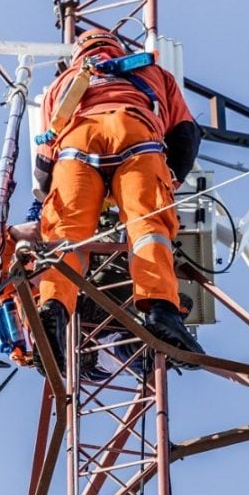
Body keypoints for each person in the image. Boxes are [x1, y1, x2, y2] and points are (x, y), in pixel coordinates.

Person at [32, 29, 205, 375]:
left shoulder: (63, 82)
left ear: (79, 53)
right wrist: (169, 180)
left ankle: (53, 310)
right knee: (148, 228)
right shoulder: (151, 71)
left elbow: (43, 164)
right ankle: (161, 312)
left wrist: (55, 193)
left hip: (75, 146)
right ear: (117, 47)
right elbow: (187, 133)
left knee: (67, 236)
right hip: (136, 135)